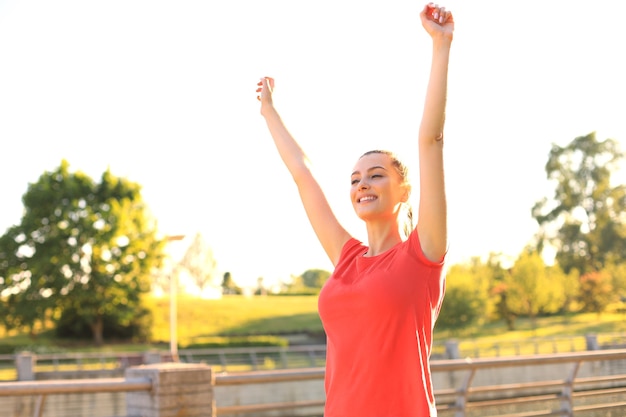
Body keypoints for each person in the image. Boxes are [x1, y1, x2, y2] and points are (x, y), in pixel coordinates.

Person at [255, 3, 453, 416]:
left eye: (376, 175)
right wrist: (269, 111)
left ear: (404, 191)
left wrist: (441, 45)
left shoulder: (423, 254)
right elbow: (303, 176)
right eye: (355, 178)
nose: (362, 183)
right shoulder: (346, 260)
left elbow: (430, 140)